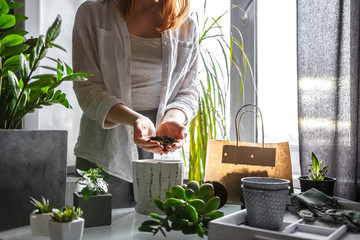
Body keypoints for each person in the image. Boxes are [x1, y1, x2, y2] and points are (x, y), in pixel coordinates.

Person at [72, 0, 199, 207]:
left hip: (160, 152)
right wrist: (136, 120)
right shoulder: (92, 13)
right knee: (97, 231)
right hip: (102, 150)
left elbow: (189, 91)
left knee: (156, 231)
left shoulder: (186, 24)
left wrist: (173, 120)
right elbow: (86, 88)